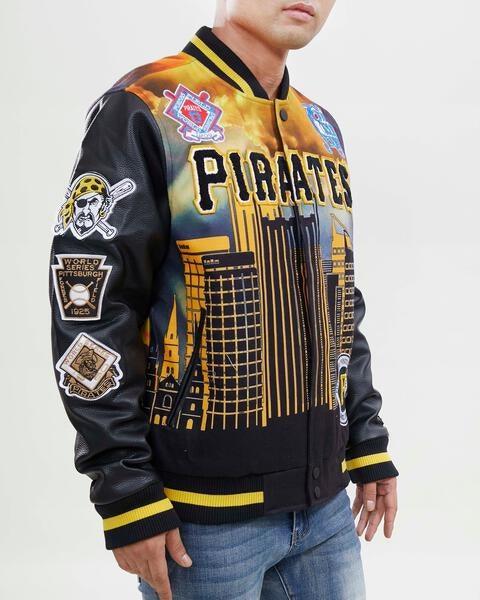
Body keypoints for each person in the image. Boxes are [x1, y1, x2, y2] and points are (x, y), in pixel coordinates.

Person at [48, 1, 399, 598]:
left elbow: (338, 297)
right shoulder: (145, 106)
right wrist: (124, 488)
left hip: (327, 511)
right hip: (201, 523)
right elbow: (88, 305)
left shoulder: (319, 129)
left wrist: (365, 437)